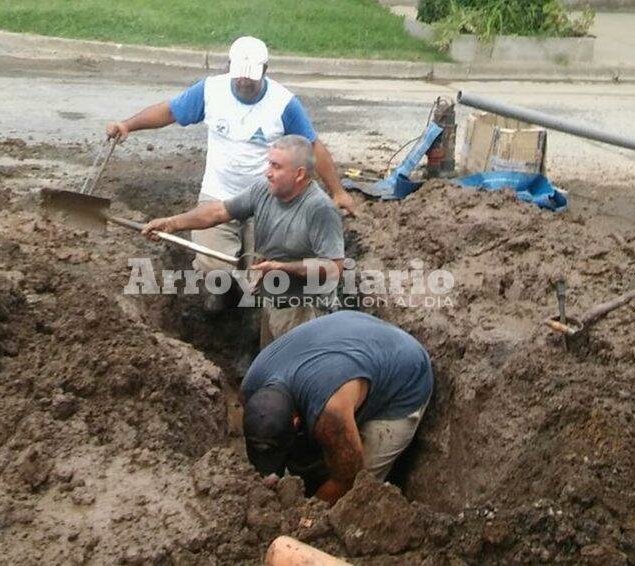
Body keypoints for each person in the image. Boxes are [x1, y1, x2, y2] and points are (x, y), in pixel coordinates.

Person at [107, 36, 355, 310]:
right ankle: (223, 294)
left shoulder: (283, 103)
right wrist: (128, 125)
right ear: (229, 66)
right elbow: (170, 112)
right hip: (220, 191)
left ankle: (255, 310)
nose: (244, 83)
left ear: (265, 70)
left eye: (251, 77)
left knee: (266, 272)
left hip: (267, 200)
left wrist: (338, 191)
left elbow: (311, 147)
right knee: (214, 267)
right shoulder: (211, 91)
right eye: (239, 76)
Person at [141, 135, 344, 347]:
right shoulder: (263, 190)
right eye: (269, 164)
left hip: (306, 312)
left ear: (299, 174)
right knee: (271, 367)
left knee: (297, 372)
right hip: (274, 302)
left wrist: (282, 268)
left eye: (276, 166)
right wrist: (172, 223)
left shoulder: (319, 210)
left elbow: (334, 268)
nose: (268, 172)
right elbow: (219, 212)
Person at [240, 310, 434, 505]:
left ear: (296, 421)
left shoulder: (330, 414)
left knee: (358, 493)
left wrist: (305, 515)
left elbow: (348, 480)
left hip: (403, 373)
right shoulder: (250, 386)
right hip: (350, 336)